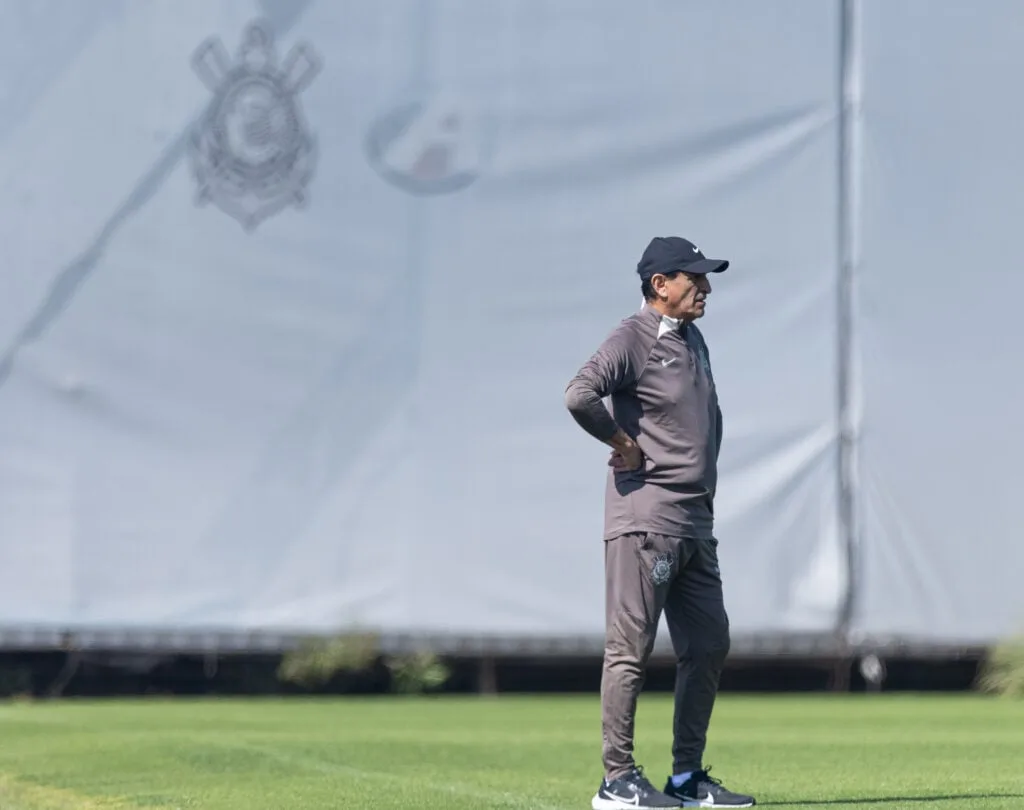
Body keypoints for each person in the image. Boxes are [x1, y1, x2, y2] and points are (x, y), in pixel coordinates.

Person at [565, 236, 756, 809]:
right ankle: (616, 780)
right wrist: (621, 441)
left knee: (709, 643)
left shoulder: (693, 338)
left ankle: (686, 778)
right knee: (632, 649)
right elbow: (580, 394)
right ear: (660, 285)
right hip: (645, 519)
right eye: (695, 279)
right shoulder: (634, 337)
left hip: (694, 522)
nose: (706, 288)